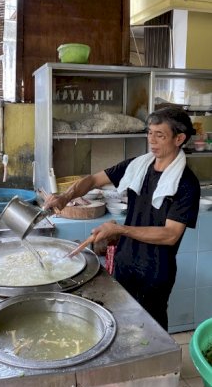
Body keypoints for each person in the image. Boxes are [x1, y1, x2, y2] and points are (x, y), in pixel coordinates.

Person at [44, 106, 200, 330]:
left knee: (150, 330)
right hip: (125, 262)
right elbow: (93, 180)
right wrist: (65, 197)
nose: (152, 141)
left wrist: (120, 230)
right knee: (120, 323)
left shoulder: (186, 183)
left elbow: (170, 235)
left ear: (180, 138)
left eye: (160, 135)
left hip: (155, 272)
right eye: (149, 133)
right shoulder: (138, 166)